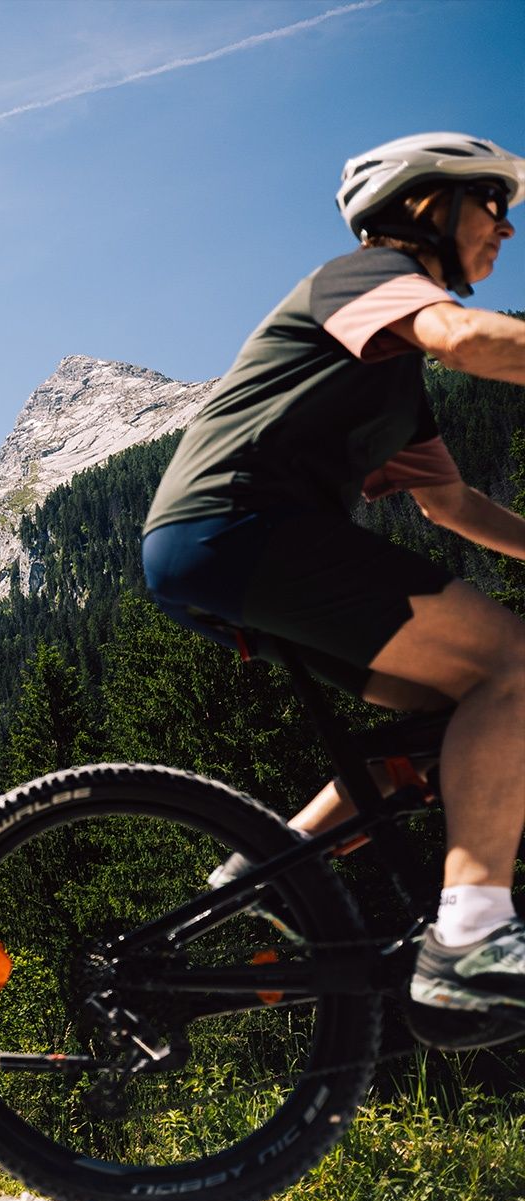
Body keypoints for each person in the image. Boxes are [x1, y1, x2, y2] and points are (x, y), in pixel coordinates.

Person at [140, 131, 525, 1013]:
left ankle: (267, 869)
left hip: (228, 548)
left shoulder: (394, 371)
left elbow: (454, 506)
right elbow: (465, 338)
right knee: (513, 662)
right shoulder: (365, 279)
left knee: (437, 733)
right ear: (426, 204)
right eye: (493, 205)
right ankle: (470, 937)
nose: (507, 230)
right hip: (237, 526)